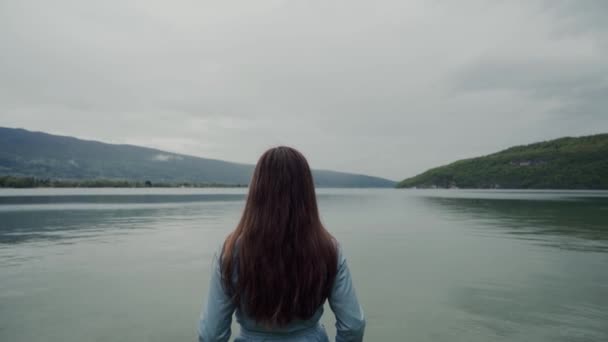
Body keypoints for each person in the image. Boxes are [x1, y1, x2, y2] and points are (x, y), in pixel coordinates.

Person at [198, 146, 365, 341]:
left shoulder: (230, 251)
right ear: (307, 192)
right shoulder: (329, 249)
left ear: (256, 190)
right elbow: (353, 326)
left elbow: (210, 334)